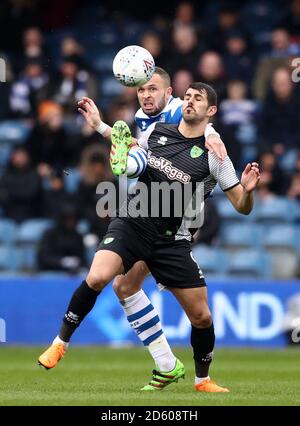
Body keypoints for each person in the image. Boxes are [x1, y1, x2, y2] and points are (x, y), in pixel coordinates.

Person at [39, 82, 260, 392]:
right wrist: (101, 126)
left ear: (211, 111)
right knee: (99, 276)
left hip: (173, 239)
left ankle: (202, 380)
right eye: (188, 96)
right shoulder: (159, 132)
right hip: (133, 220)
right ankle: (59, 342)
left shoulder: (214, 155)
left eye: (199, 99)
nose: (190, 101)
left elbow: (241, 206)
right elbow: (131, 151)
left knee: (201, 316)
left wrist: (248, 192)